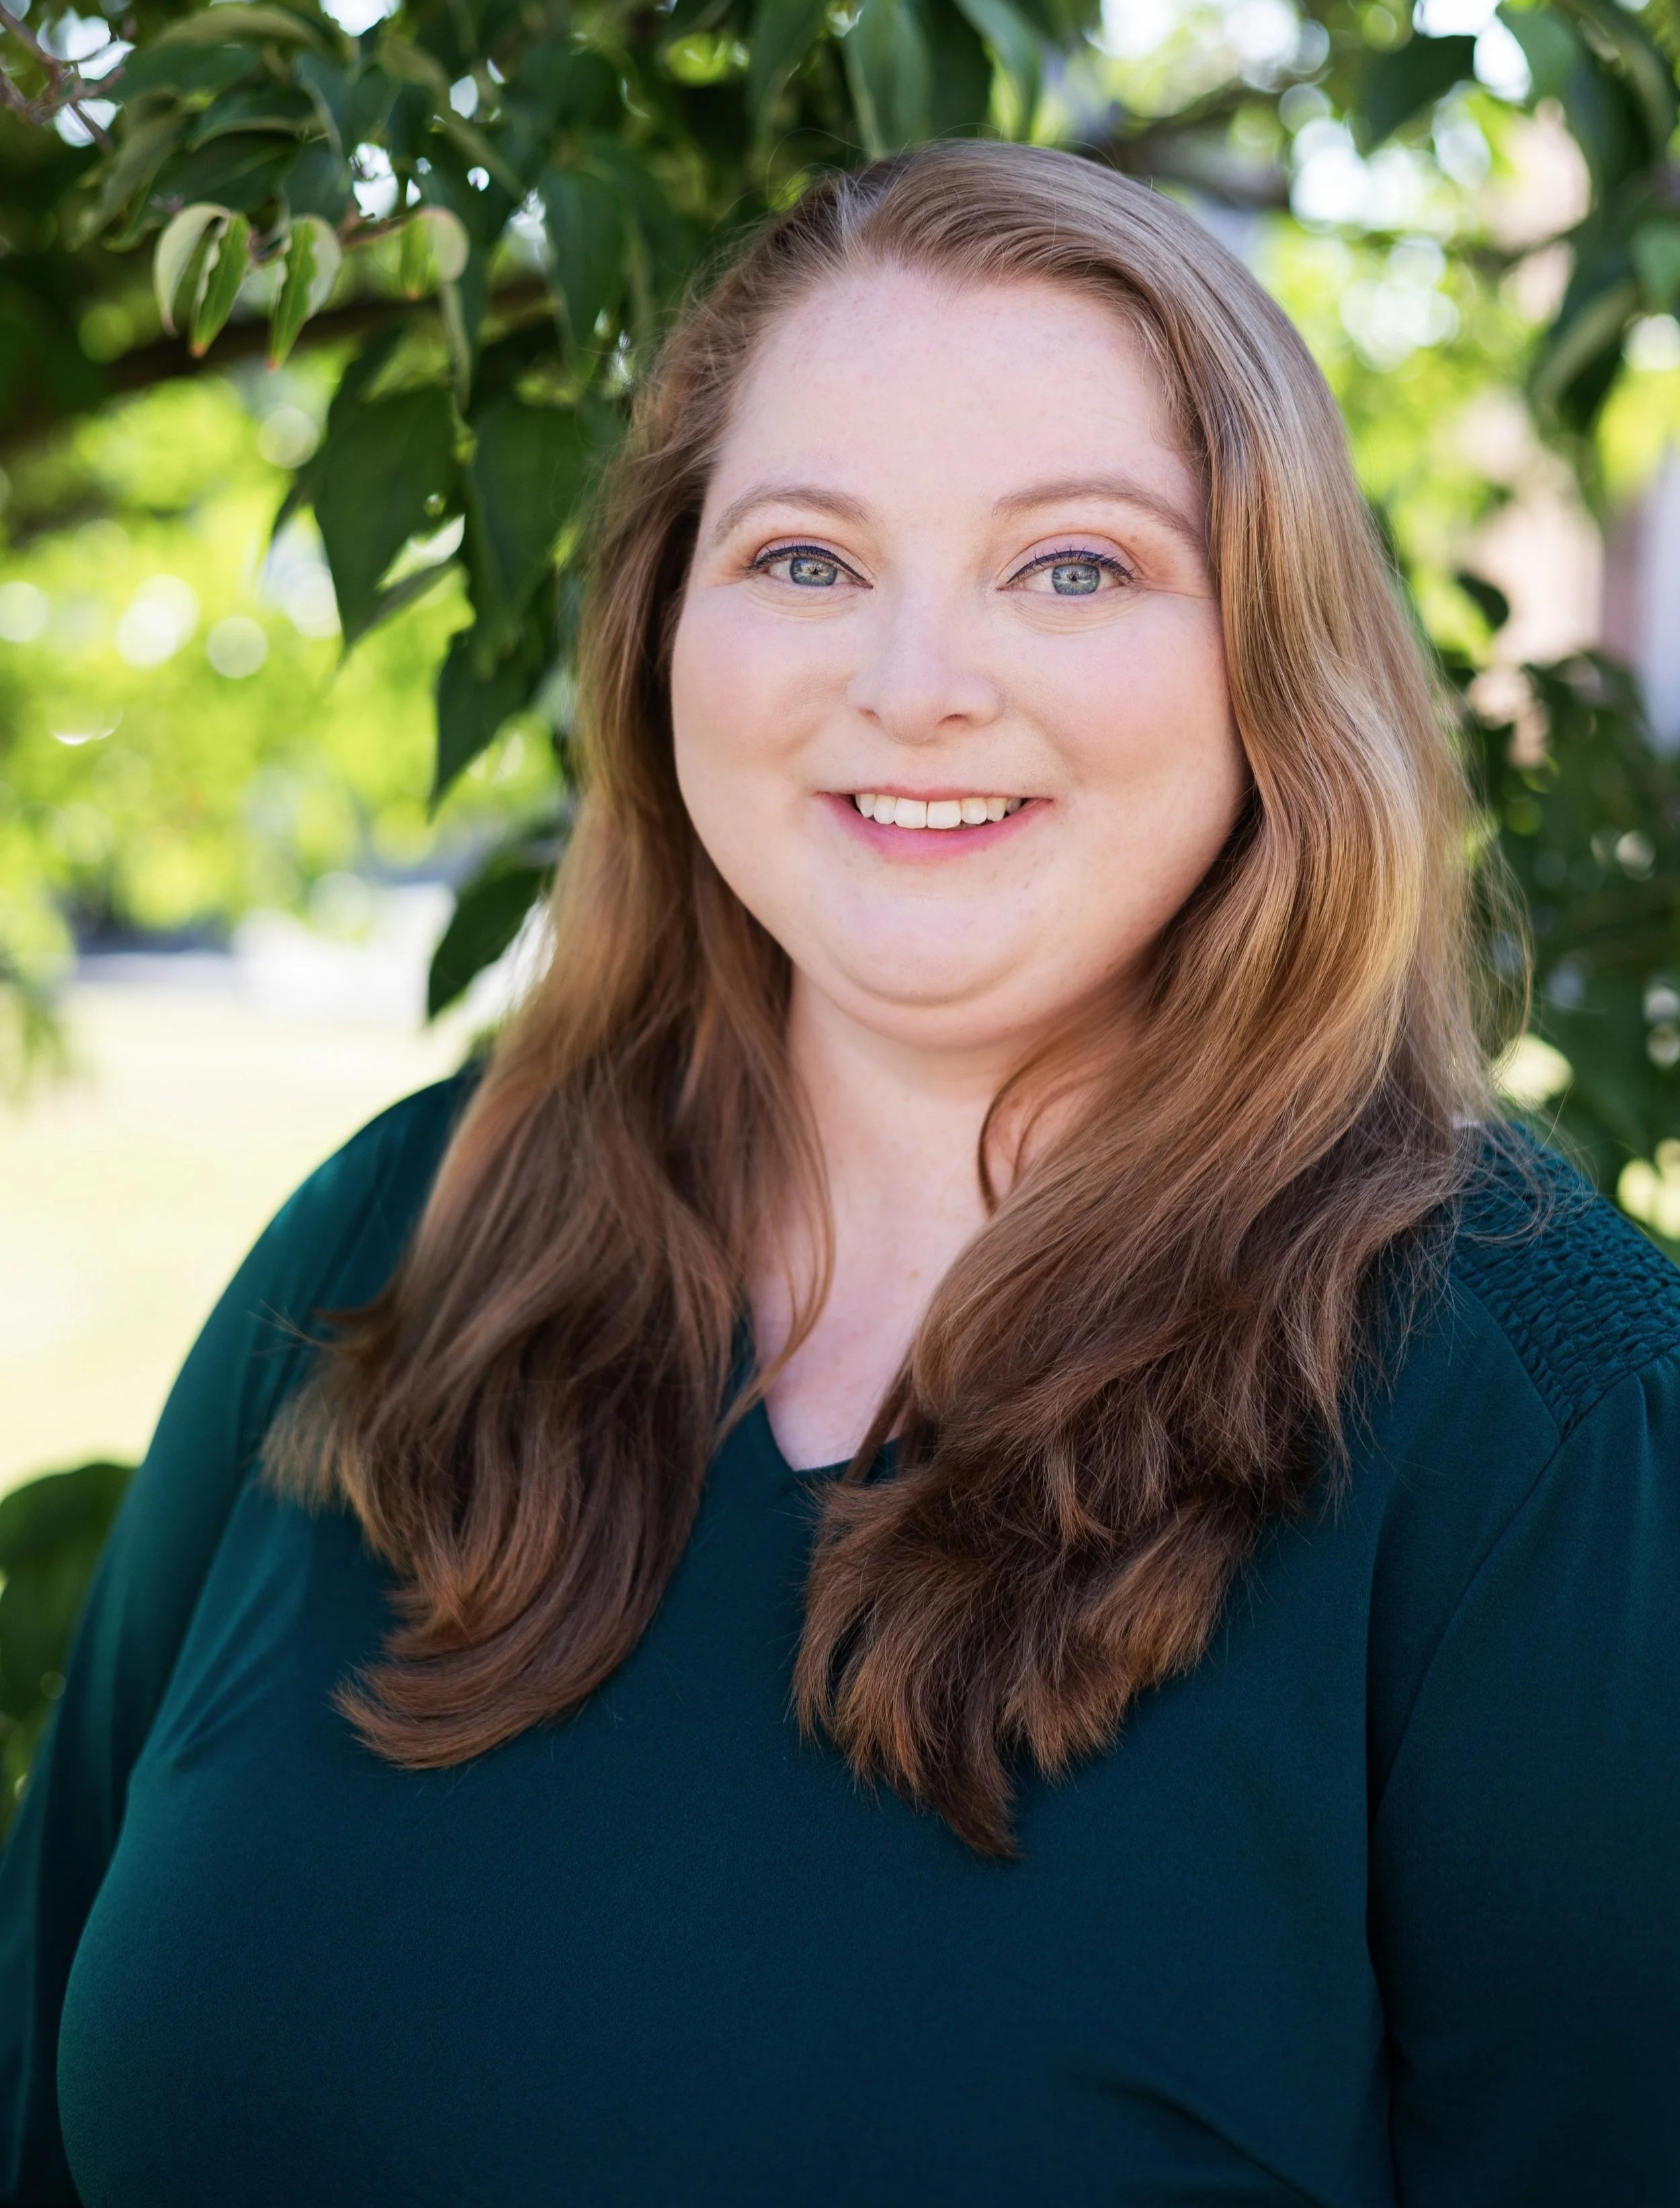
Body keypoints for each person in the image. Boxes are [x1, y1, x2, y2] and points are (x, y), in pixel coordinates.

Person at [3, 143, 1677, 2207]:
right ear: (661, 627)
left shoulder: (1548, 1429)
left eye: (1073, 566)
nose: (912, 684)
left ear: (1272, 658)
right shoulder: (396, 1240)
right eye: (806, 558)